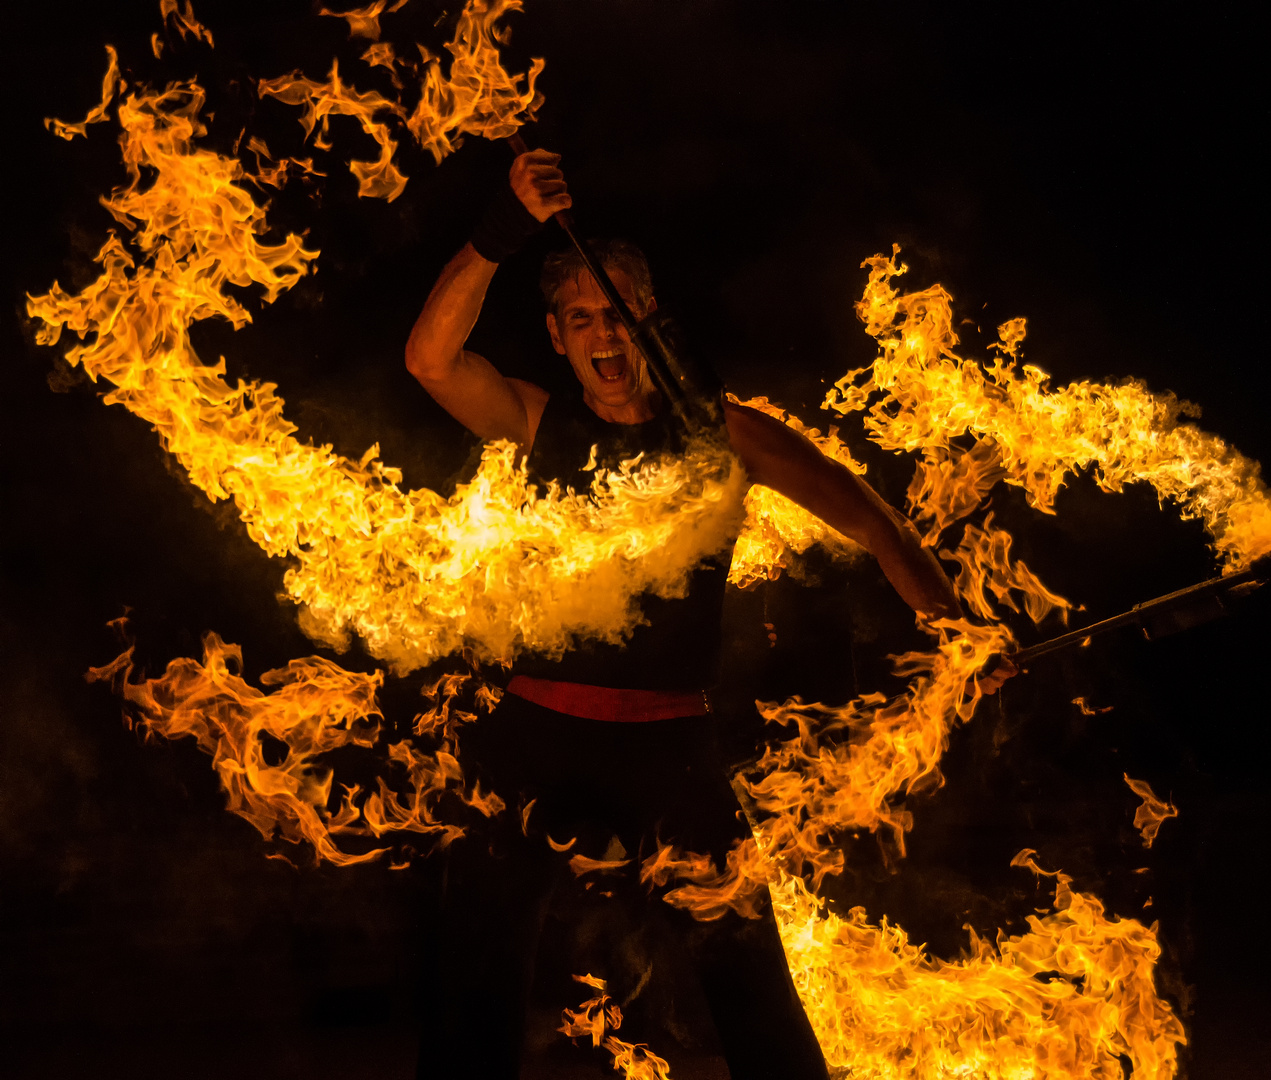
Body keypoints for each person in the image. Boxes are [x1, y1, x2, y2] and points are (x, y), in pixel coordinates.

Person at [405, 150, 1010, 1079]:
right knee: (473, 980)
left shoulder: (725, 435)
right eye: (579, 320)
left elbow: (868, 517)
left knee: (747, 974)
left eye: (615, 311)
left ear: (647, 315)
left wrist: (951, 622)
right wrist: (500, 228)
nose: (602, 334)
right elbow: (429, 359)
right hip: (532, 735)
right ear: (558, 339)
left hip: (669, 750)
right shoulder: (534, 420)